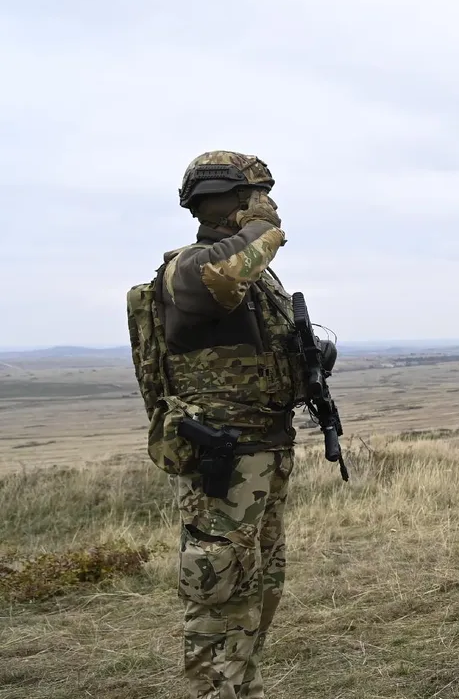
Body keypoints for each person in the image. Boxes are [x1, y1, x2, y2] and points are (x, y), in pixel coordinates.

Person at [129, 151, 309, 699]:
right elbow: (220, 279)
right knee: (220, 587)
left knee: (260, 587)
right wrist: (262, 227)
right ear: (226, 200)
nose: (269, 204)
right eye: (257, 195)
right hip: (222, 459)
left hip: (263, 450)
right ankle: (217, 691)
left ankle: (240, 688)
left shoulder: (259, 276)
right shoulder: (190, 267)